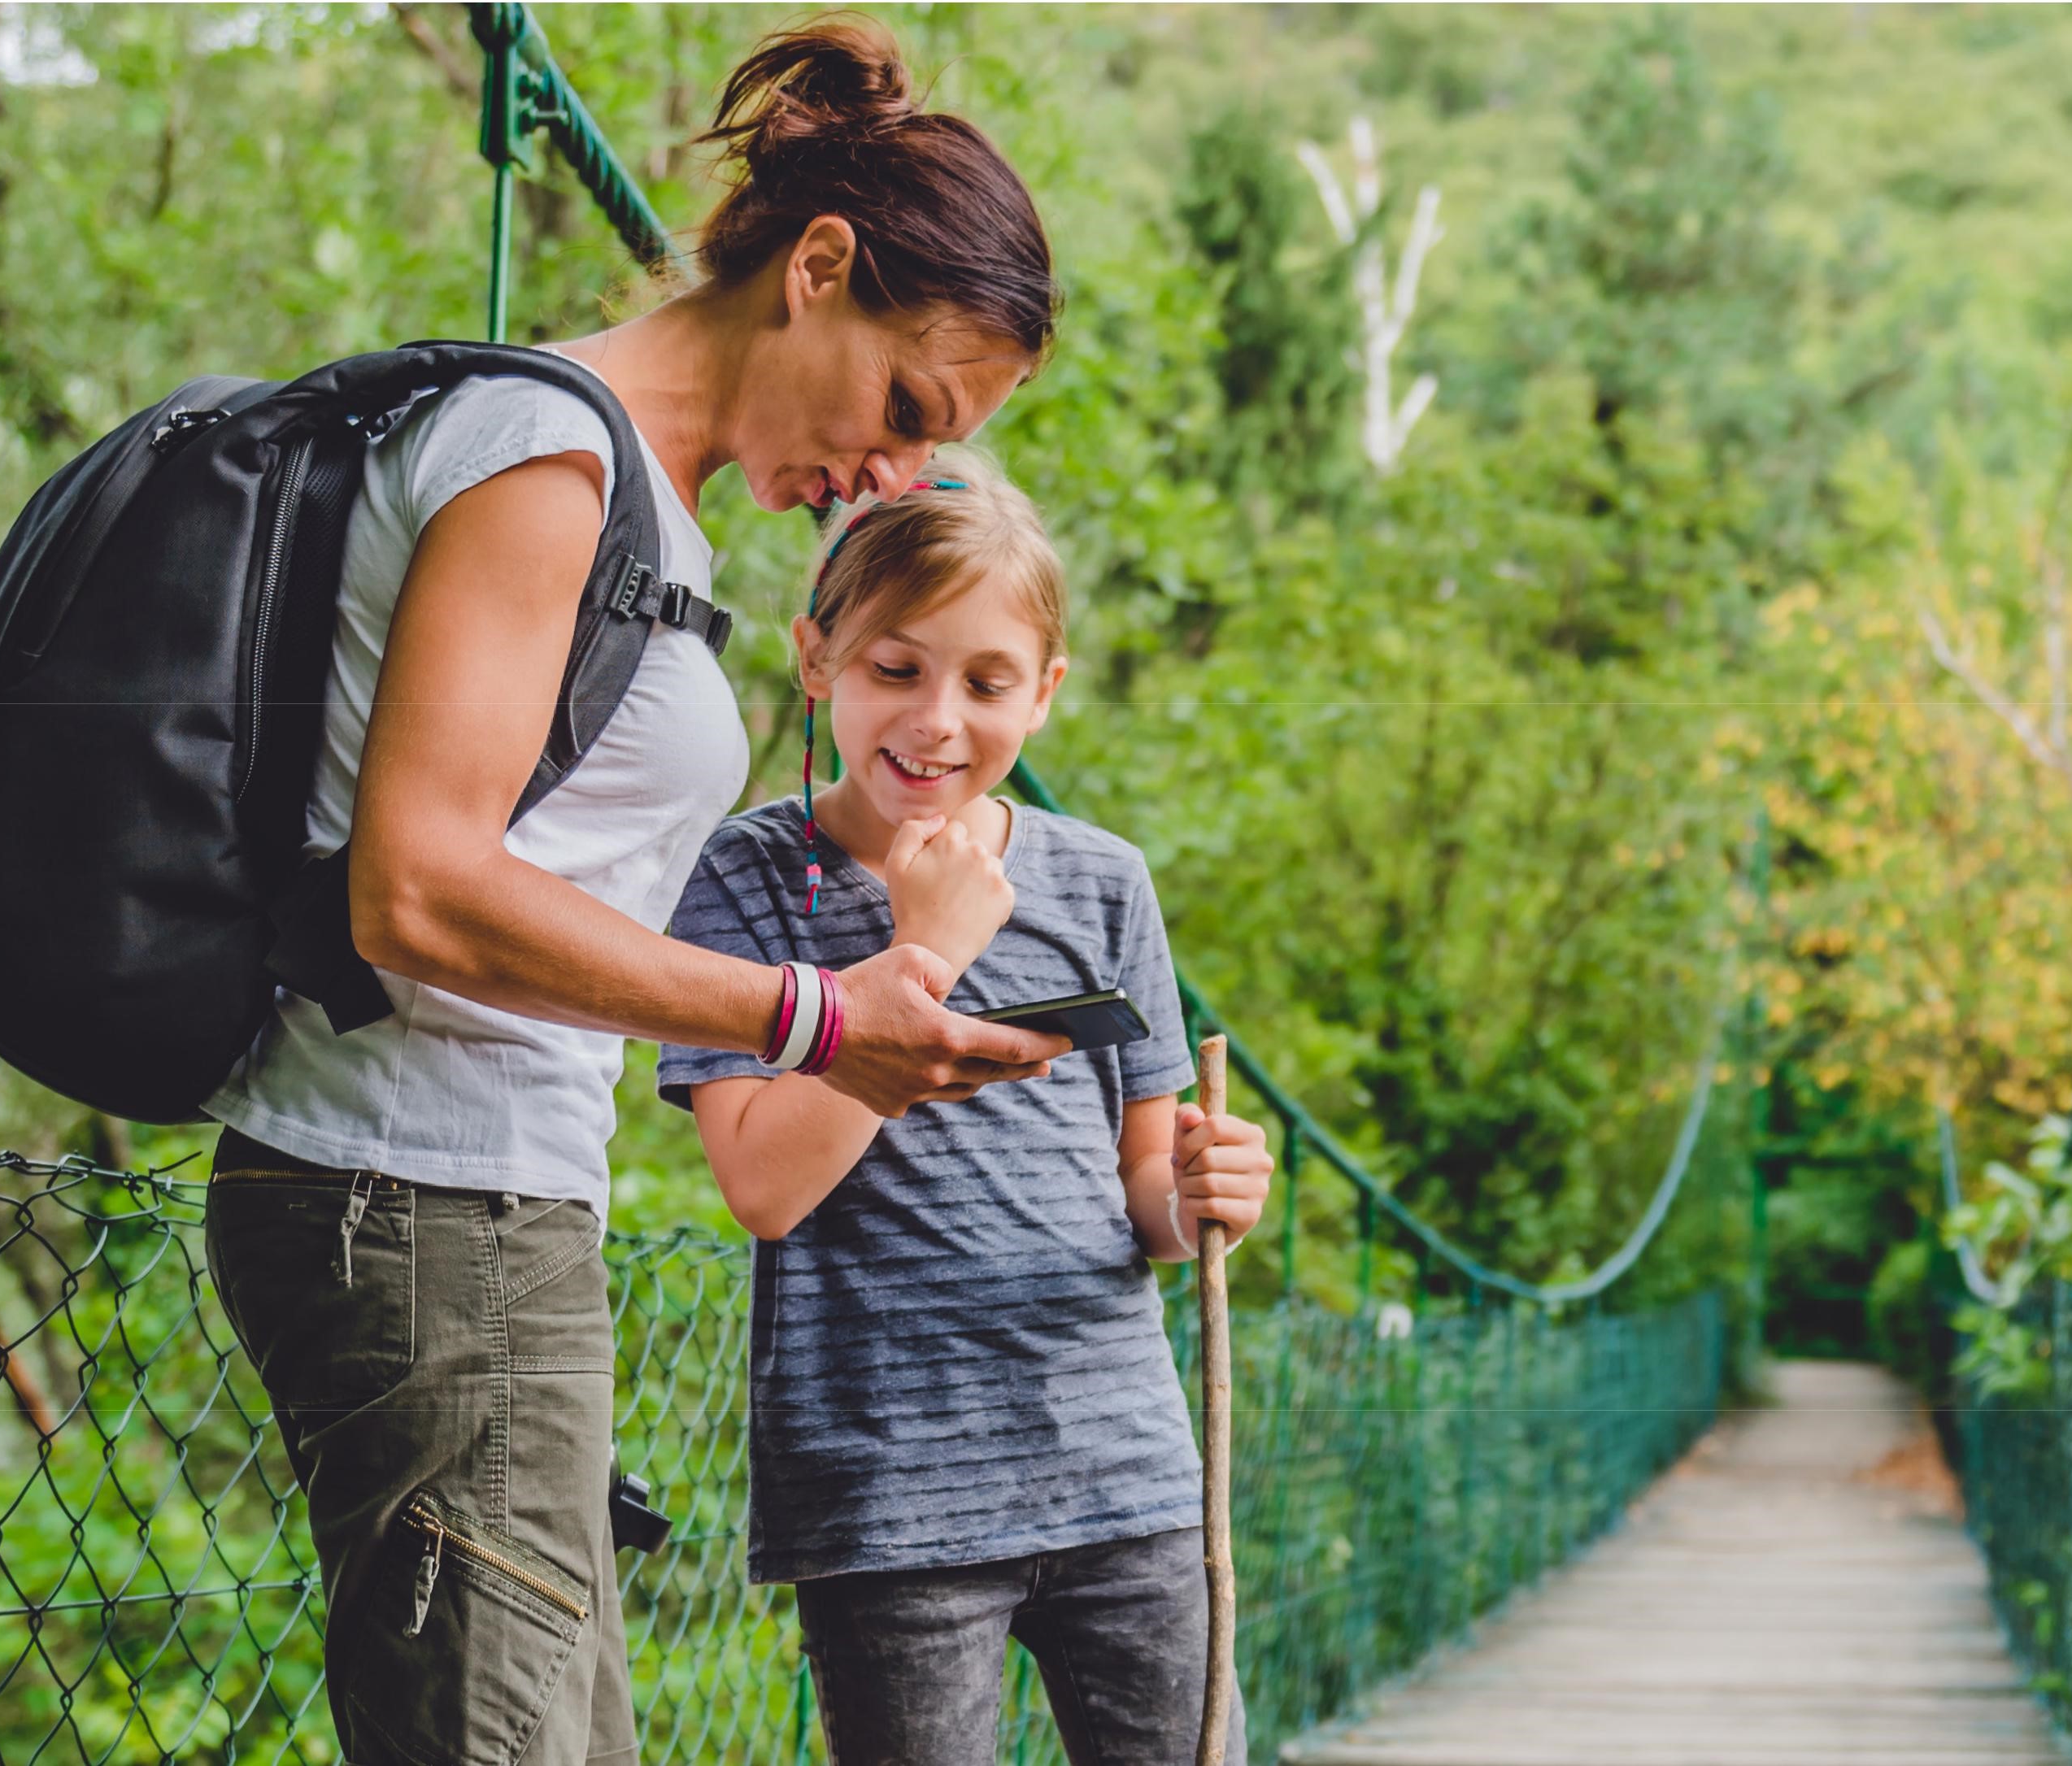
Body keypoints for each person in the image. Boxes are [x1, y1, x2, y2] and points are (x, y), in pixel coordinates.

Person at [197, 23, 1070, 1766]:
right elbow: (420, 894)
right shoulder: (547, 460)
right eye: (907, 407)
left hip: (499, 1212)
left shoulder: (640, 501)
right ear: (817, 270)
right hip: (416, 1201)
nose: (899, 474)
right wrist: (824, 1018)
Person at [658, 454, 1273, 1766]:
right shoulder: (748, 881)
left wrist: (1210, 1196)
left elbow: (1148, 1204)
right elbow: (763, 1188)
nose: (937, 720)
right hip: (889, 1504)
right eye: (896, 669)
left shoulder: (1104, 883)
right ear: (815, 659)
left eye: (986, 683)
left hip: (1126, 1479)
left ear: (1042, 696)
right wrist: (919, 949)